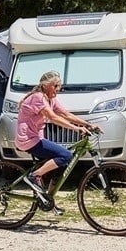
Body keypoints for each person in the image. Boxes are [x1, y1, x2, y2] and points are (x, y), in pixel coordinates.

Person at [16, 71, 100, 213]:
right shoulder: (38, 98)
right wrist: (76, 129)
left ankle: (48, 200)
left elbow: (66, 114)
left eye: (59, 86)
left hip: (37, 138)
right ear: (46, 85)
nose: (58, 89)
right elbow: (53, 117)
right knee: (65, 155)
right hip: (28, 140)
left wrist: (87, 124)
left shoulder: (50, 99)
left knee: (61, 164)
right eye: (56, 86)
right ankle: (34, 176)